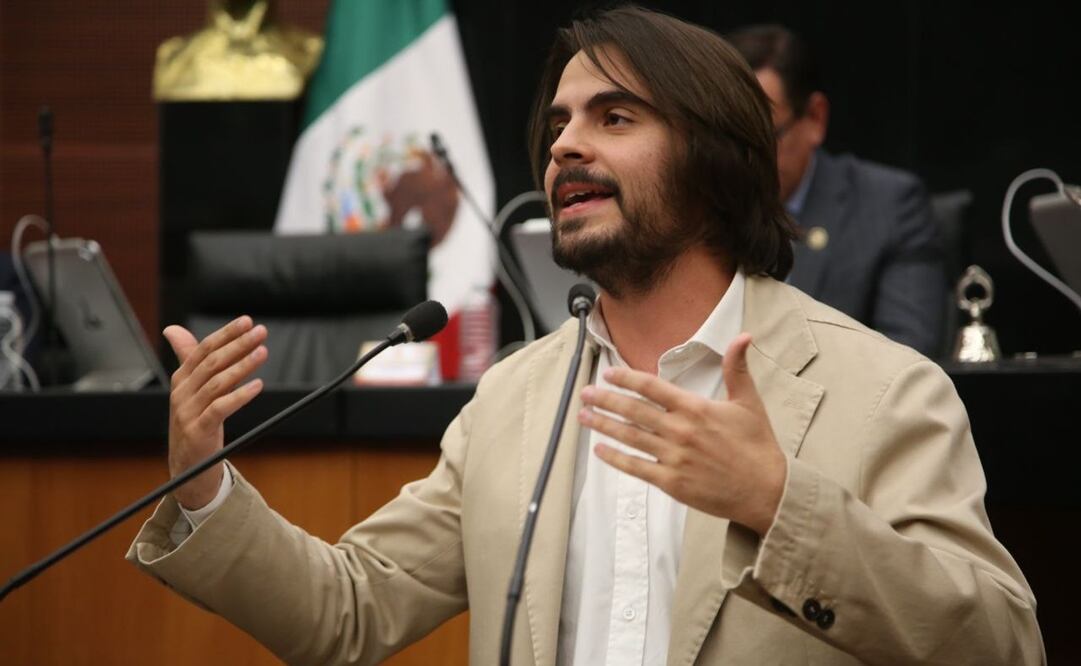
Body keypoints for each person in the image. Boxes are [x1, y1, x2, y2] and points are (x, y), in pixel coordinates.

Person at [128, 7, 1043, 664]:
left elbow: (1000, 643)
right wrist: (204, 484)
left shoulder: (881, 390)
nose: (564, 145)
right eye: (558, 123)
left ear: (716, 157)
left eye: (614, 117)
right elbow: (348, 612)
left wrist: (777, 501)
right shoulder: (514, 400)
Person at [728, 24, 946, 357]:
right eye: (727, 138)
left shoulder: (889, 206)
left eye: (761, 137)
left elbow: (908, 358)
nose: (742, 157)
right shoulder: (696, 208)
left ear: (815, 118)